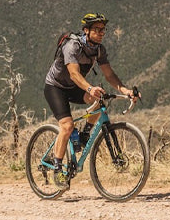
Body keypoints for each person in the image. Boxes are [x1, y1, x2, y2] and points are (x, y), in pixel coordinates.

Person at [43, 12, 136, 189]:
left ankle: (85, 133)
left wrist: (125, 90)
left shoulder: (99, 50)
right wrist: (90, 88)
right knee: (68, 126)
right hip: (56, 87)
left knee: (100, 100)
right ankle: (57, 169)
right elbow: (74, 74)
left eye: (104, 30)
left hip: (75, 87)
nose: (102, 33)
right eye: (97, 29)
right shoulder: (73, 46)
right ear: (86, 30)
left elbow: (109, 74)